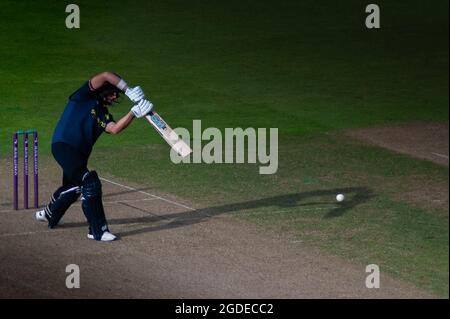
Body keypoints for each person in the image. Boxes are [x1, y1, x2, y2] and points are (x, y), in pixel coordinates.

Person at [35, 72, 153, 241]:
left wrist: (134, 113)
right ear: (103, 90)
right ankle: (97, 230)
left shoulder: (103, 113)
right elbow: (106, 75)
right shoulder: (83, 96)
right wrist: (128, 89)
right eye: (112, 92)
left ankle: (50, 213)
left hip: (79, 155)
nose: (114, 97)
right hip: (64, 146)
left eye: (116, 94)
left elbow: (114, 129)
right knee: (90, 182)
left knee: (74, 188)